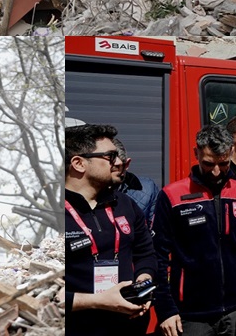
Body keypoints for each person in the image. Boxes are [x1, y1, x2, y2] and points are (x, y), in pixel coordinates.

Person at [152, 124, 236, 336]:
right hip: (190, 315)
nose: (217, 172)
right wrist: (165, 309)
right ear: (196, 154)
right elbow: (157, 257)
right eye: (208, 164)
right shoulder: (172, 196)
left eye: (224, 164)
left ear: (230, 153)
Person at [65, 124, 156, 336]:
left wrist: (144, 282)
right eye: (110, 156)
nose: (119, 162)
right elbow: (48, 295)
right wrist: (98, 301)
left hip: (130, 325)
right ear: (79, 163)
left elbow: (145, 253)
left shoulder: (125, 204)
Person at [112, 137, 160, 226]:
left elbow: (156, 231)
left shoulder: (147, 189)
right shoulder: (85, 190)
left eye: (115, 168)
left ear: (126, 165)